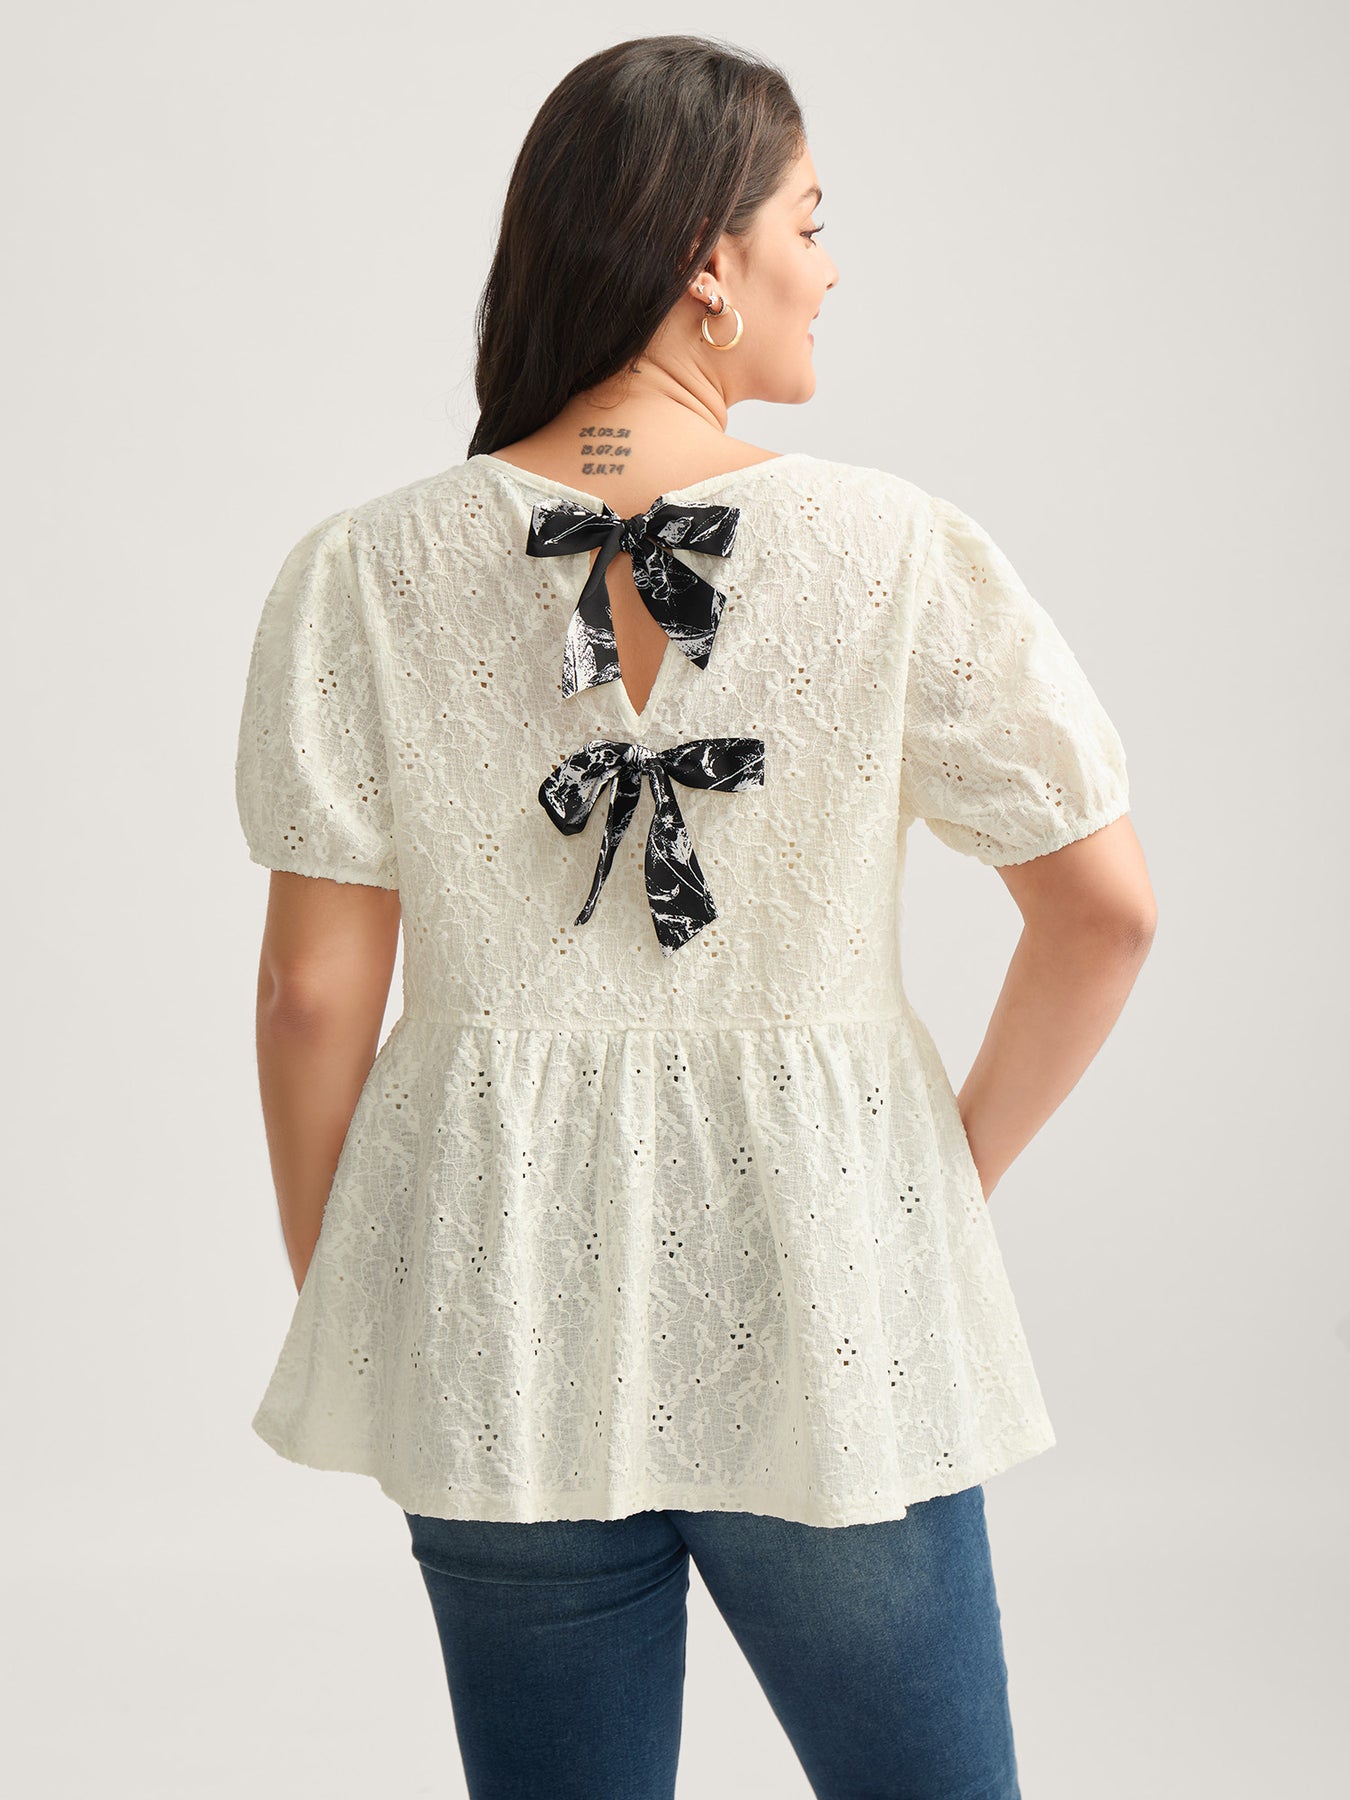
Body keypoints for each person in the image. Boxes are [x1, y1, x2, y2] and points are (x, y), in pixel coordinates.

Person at [234, 32, 1157, 1800]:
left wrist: (377, 1293)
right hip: (828, 1284)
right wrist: (927, 1186)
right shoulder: (895, 550)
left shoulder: (361, 570)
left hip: (494, 1292)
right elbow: (1103, 915)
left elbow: (307, 999)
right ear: (704, 265)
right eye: (808, 220)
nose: (832, 263)